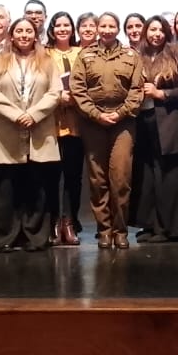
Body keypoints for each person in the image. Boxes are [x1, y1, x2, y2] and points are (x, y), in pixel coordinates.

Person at [0, 18, 62, 252]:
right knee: (6, 187)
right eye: (19, 30)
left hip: (39, 130)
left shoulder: (47, 61)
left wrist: (34, 114)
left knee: (36, 185)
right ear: (12, 35)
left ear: (35, 34)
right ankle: (6, 236)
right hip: (6, 130)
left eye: (28, 31)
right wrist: (16, 114)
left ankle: (35, 236)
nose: (24, 35)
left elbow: (56, 92)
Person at [71, 12, 144, 248]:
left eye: (112, 25)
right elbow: (78, 89)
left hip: (123, 123)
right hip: (93, 122)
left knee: (121, 178)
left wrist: (119, 114)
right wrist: (97, 114)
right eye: (103, 25)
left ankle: (120, 230)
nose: (107, 29)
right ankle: (104, 230)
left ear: (118, 29)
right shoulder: (85, 55)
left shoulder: (131, 56)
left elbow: (137, 90)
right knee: (97, 179)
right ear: (97, 28)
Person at [133, 14, 178, 243]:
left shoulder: (177, 55)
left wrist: (162, 94)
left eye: (161, 30)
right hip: (142, 120)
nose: (156, 34)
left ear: (167, 33)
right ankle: (149, 225)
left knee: (169, 175)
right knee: (147, 175)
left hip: (169, 121)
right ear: (145, 32)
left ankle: (169, 229)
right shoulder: (138, 56)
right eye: (152, 29)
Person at [45, 11, 83, 245]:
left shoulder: (82, 53)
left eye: (66, 25)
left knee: (73, 177)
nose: (62, 29)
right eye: (58, 25)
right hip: (50, 124)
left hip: (77, 124)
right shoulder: (44, 54)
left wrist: (75, 97)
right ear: (52, 29)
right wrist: (59, 97)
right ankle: (51, 223)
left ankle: (69, 222)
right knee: (50, 176)